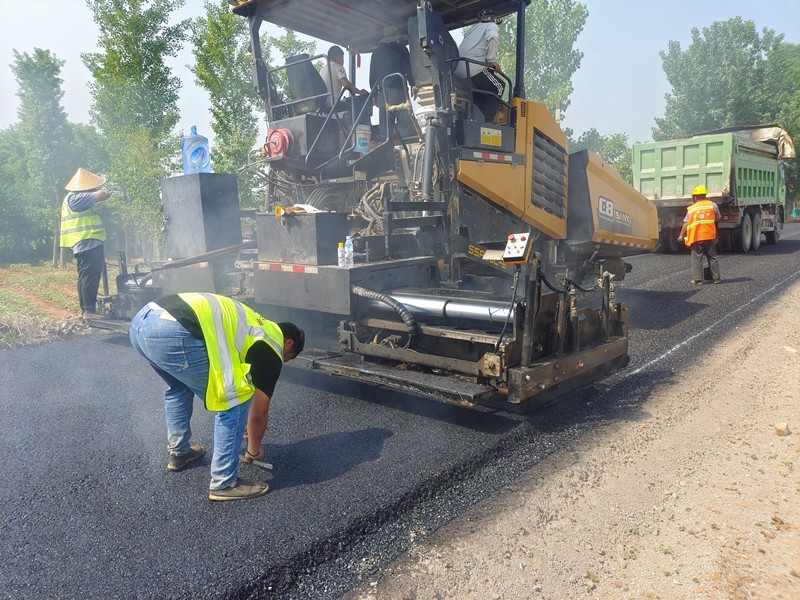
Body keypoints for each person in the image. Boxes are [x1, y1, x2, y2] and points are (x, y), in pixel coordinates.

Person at [129, 292, 305, 501]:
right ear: (289, 344)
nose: (283, 361)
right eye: (288, 358)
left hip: (142, 322)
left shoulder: (255, 323)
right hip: (173, 331)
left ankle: (179, 452)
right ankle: (223, 482)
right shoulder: (272, 343)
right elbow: (260, 412)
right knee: (233, 401)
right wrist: (254, 451)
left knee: (179, 387)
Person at [59, 168, 111, 317]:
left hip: (83, 242)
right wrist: (97, 189)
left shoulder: (72, 198)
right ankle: (89, 310)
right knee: (90, 275)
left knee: (84, 276)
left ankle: (86, 309)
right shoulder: (78, 198)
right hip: (87, 241)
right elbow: (104, 194)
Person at [369, 26, 419, 143]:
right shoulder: (402, 49)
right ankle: (406, 153)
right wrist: (413, 85)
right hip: (399, 92)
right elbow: (409, 69)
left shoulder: (376, 53)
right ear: (396, 37)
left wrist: (374, 95)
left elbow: (372, 78)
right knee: (405, 126)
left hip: (383, 95)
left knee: (386, 132)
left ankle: (388, 155)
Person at [454, 9, 505, 122]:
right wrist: (492, 61)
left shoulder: (473, 30)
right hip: (473, 68)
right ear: (493, 19)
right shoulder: (491, 26)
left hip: (459, 71)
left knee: (479, 93)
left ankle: (478, 119)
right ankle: (488, 122)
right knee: (499, 87)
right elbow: (492, 36)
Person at [678, 185, 722, 285]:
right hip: (710, 236)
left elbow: (686, 223)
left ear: (695, 197)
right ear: (705, 195)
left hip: (696, 237)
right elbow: (718, 218)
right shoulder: (713, 205)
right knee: (712, 257)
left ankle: (698, 280)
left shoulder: (692, 209)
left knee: (697, 258)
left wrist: (681, 235)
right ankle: (716, 278)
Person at [322, 45, 370, 124]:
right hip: (333, 104)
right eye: (342, 58)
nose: (343, 61)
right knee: (357, 105)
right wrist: (360, 92)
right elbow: (346, 84)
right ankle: (360, 128)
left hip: (324, 105)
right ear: (338, 56)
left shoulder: (323, 68)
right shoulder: (338, 67)